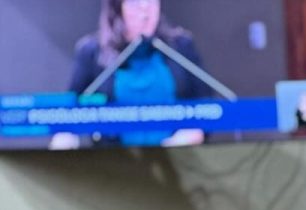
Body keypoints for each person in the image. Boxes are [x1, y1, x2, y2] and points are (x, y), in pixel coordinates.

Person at [51, 0, 210, 149]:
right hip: (113, 163)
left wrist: (194, 132)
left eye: (151, 1)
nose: (145, 9)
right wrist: (64, 136)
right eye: (135, 2)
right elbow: (69, 111)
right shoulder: (92, 52)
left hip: (177, 160)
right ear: (118, 8)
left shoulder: (181, 46)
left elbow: (208, 108)